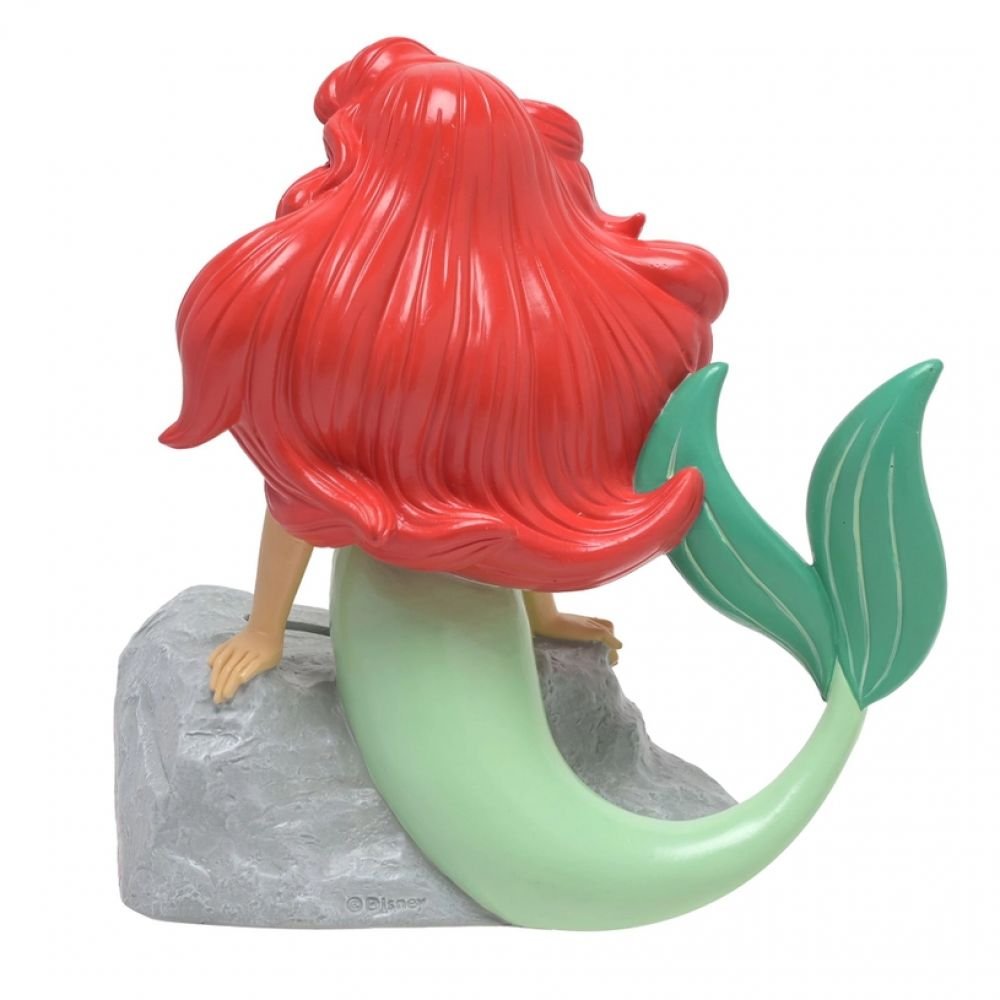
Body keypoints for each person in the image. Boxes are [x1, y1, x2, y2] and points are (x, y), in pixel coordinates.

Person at [161, 37, 727, 704]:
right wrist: (265, 631)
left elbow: (522, 486)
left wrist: (542, 613)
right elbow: (301, 482)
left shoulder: (518, 324)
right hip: (390, 590)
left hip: (440, 596)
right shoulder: (339, 304)